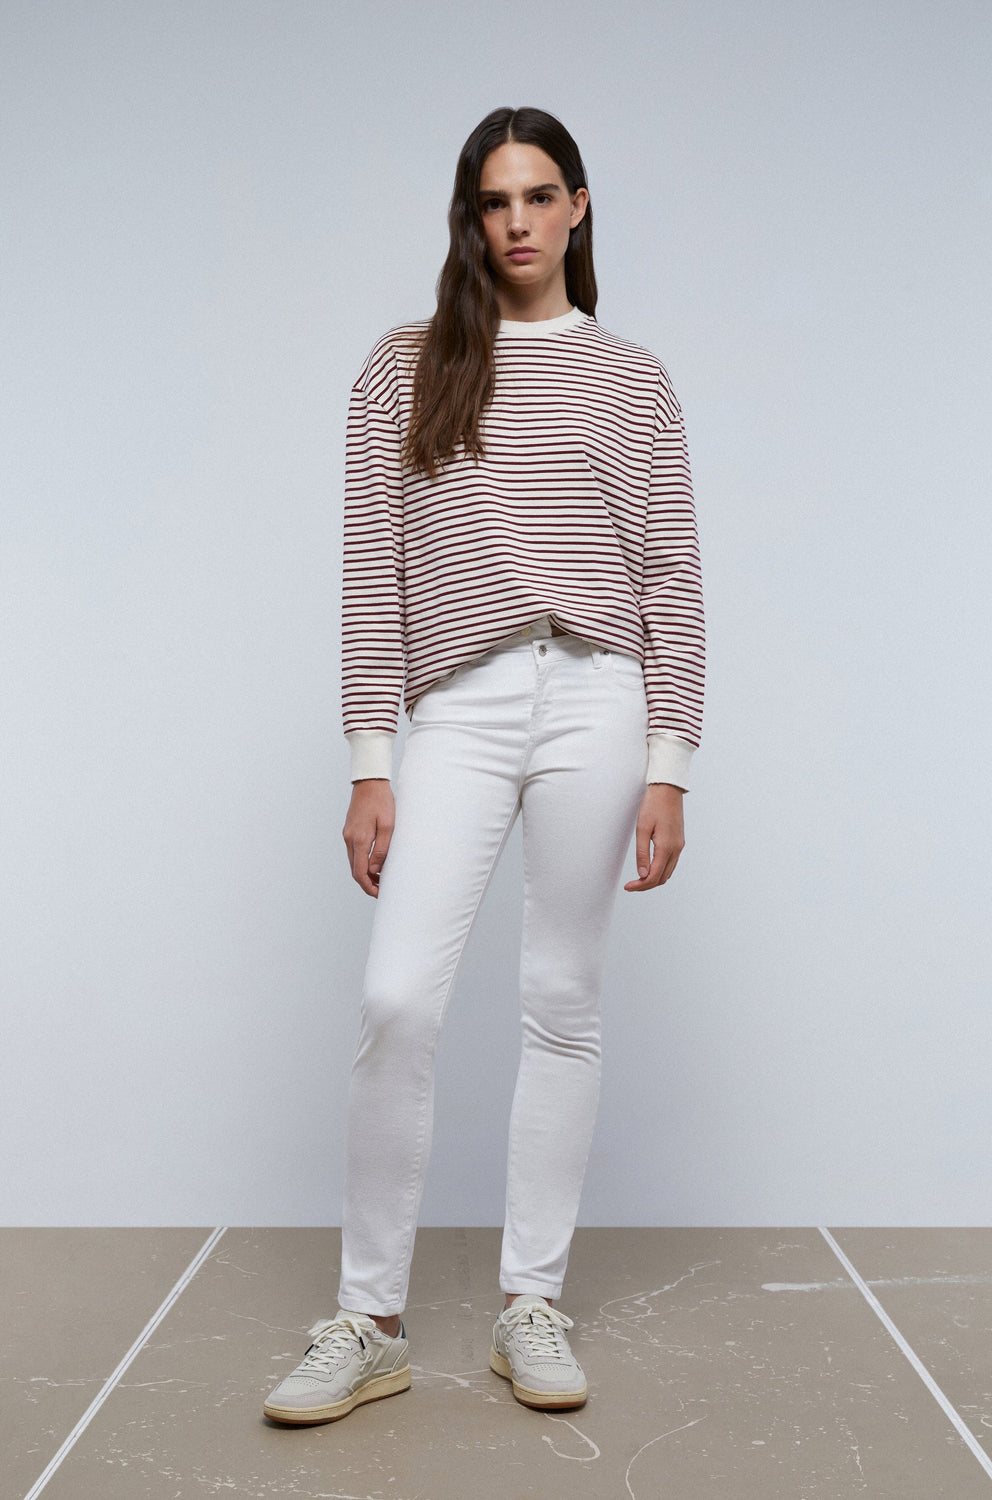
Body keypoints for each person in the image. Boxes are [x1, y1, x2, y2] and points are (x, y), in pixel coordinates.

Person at [263, 104, 705, 1426]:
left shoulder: (632, 378)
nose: (516, 221)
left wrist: (671, 761)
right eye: (492, 201)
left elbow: (670, 573)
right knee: (398, 999)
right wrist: (369, 759)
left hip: (600, 698)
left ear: (578, 206)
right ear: (470, 218)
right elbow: (372, 568)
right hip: (456, 704)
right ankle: (369, 1322)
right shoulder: (406, 365)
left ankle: (531, 1304)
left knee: (562, 999)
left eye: (537, 195)